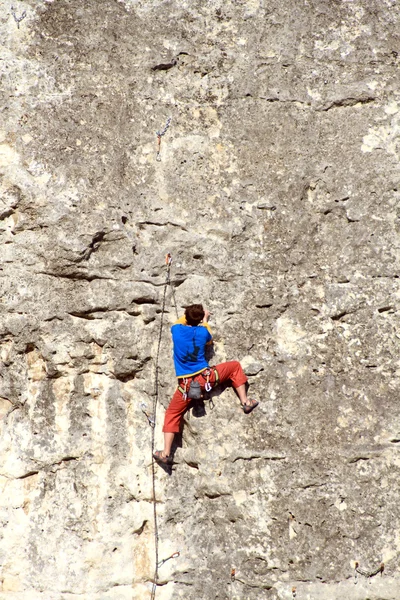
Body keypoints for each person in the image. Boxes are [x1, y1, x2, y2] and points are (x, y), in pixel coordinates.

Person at [153, 304, 259, 464]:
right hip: (207, 378)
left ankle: (166, 453)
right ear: (200, 319)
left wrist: (193, 316)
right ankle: (245, 402)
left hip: (186, 385)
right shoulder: (203, 332)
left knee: (172, 414)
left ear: (186, 317)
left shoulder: (176, 330)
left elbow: (178, 321)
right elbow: (209, 340)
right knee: (235, 366)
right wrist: (205, 319)